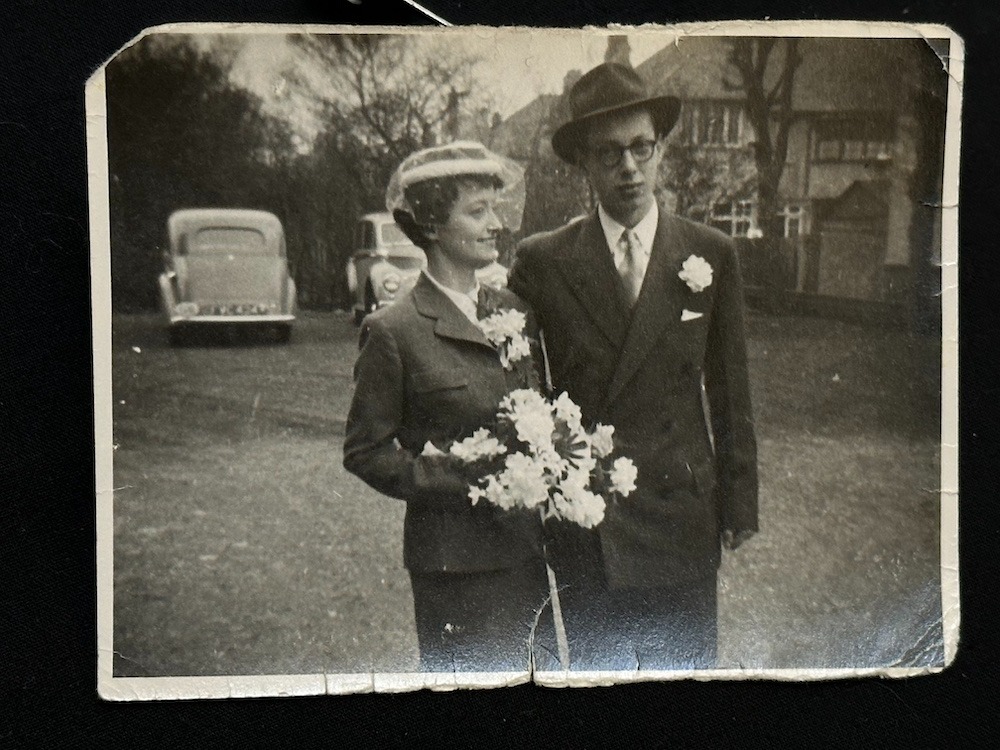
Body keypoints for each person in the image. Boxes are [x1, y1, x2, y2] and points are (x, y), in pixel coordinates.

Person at [508, 63, 759, 670]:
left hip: (681, 517)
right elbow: (519, 388)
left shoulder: (710, 253)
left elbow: (731, 391)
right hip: (592, 522)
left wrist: (740, 501)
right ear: (584, 164)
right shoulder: (542, 261)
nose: (629, 167)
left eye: (641, 147)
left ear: (660, 149)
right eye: (610, 153)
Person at [343, 142, 549, 673]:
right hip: (455, 565)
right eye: (477, 212)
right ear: (432, 224)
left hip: (524, 554)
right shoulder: (394, 330)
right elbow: (365, 451)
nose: (496, 224)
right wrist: (455, 477)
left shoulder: (514, 312)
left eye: (494, 209)